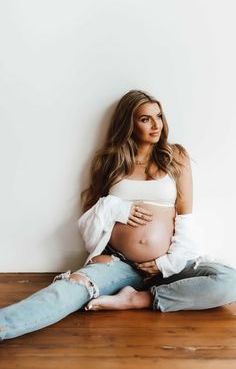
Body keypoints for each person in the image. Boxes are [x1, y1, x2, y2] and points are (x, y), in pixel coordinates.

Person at [0, 89, 236, 341]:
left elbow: (185, 215)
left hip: (170, 263)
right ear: (129, 123)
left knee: (229, 281)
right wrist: (108, 231)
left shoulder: (175, 156)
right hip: (120, 263)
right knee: (70, 288)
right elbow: (91, 215)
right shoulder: (110, 160)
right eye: (145, 119)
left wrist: (167, 262)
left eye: (159, 116)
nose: (156, 125)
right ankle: (5, 325)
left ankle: (139, 299)